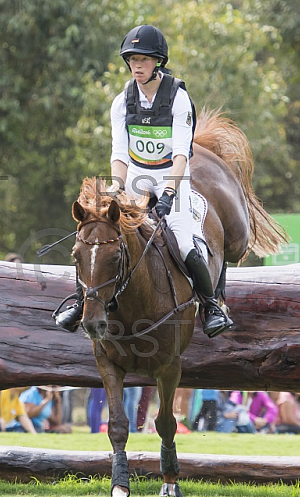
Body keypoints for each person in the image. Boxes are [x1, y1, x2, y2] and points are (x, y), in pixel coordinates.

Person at [55, 25, 232, 338]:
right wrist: (116, 190)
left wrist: (167, 195)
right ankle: (81, 301)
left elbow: (181, 156)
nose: (137, 65)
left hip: (171, 175)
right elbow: (120, 153)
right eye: (133, 59)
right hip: (136, 174)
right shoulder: (121, 102)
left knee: (184, 239)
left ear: (158, 62)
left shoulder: (178, 99)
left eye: (144, 59)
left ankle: (211, 305)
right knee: (97, 233)